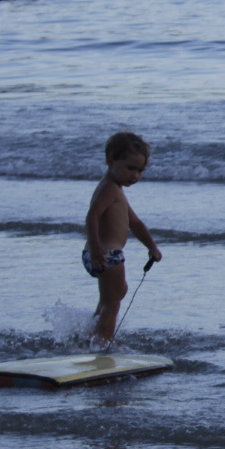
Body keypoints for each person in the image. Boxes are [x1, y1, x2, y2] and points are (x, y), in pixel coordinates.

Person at [84, 132, 163, 347]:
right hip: (106, 254)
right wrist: (95, 247)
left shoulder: (115, 189)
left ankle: (90, 337)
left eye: (140, 170)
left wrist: (152, 247)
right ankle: (102, 346)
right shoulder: (109, 188)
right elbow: (92, 215)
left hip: (103, 254)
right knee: (112, 304)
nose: (135, 175)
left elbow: (135, 223)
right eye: (130, 168)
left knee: (115, 294)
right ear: (111, 161)